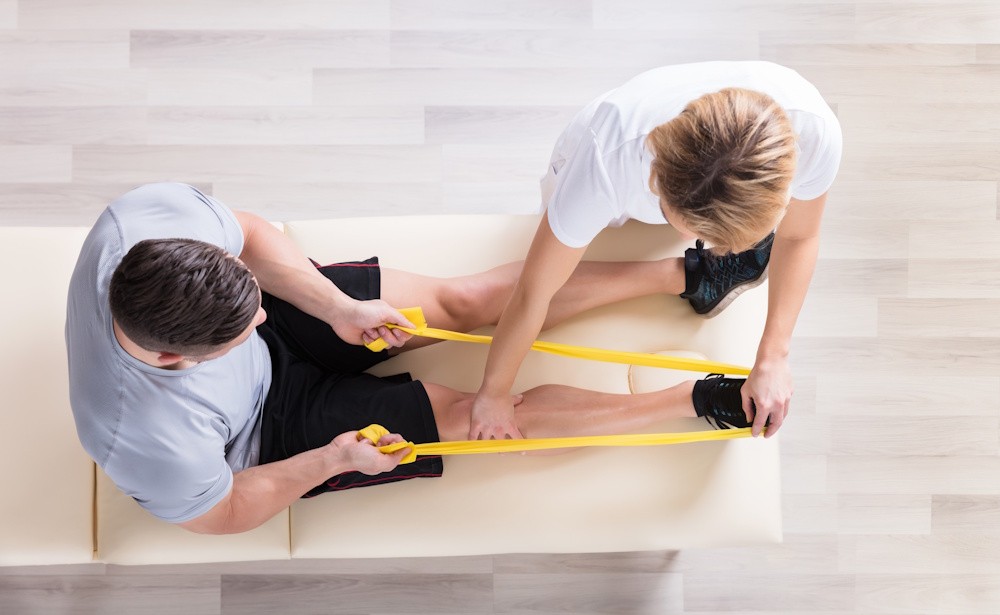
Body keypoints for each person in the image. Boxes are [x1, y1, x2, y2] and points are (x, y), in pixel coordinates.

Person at [66, 182, 755, 535]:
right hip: (266, 430)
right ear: (170, 357)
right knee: (482, 420)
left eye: (255, 304)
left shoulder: (148, 224)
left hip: (287, 320)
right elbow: (223, 509)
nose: (264, 320)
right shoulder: (141, 437)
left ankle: (690, 275)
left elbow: (246, 234)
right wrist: (335, 460)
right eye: (245, 328)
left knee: (461, 301)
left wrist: (336, 307)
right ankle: (697, 400)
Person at [469, 61, 843, 442]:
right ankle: (694, 274)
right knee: (541, 275)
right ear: (656, 181)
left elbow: (799, 237)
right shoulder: (603, 167)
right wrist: (493, 393)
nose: (694, 238)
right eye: (694, 231)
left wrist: (773, 356)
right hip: (603, 170)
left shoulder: (814, 133)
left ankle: (697, 275)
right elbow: (534, 290)